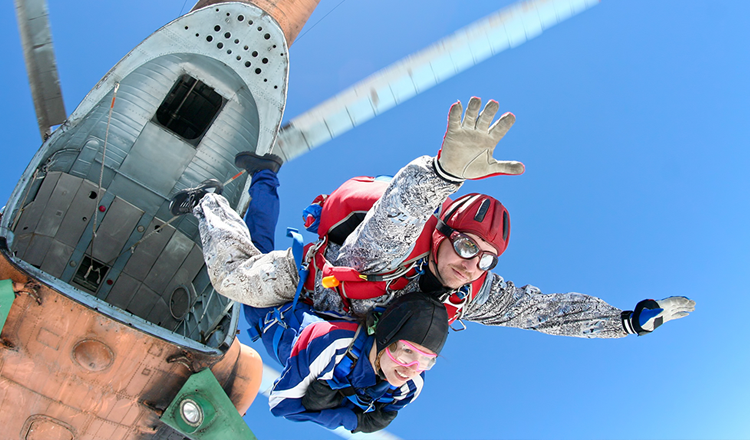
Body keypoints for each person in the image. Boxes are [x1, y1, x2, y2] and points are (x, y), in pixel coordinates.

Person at [172, 96, 694, 344]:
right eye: (467, 247)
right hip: (310, 278)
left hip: (344, 319)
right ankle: (208, 202)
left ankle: (262, 179)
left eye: (487, 258)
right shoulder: (393, 245)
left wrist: (627, 321)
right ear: (441, 235)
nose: (473, 266)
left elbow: (548, 311)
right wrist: (443, 173)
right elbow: (402, 208)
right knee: (233, 279)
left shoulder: (474, 292)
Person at [263, 292, 449, 433]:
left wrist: (344, 416)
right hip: (274, 319)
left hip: (324, 367)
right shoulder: (333, 343)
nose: (411, 369)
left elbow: (381, 419)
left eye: (426, 360)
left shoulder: (411, 385)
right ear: (385, 338)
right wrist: (337, 412)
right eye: (407, 352)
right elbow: (281, 405)